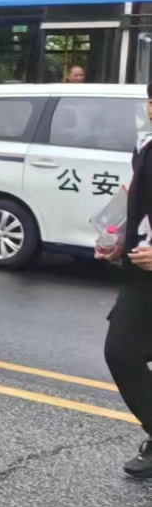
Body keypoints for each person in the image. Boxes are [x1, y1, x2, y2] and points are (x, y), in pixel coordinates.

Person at [101, 81, 152, 478]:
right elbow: (138, 203)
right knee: (121, 351)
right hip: (141, 272)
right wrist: (119, 240)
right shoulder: (145, 147)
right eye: (151, 100)